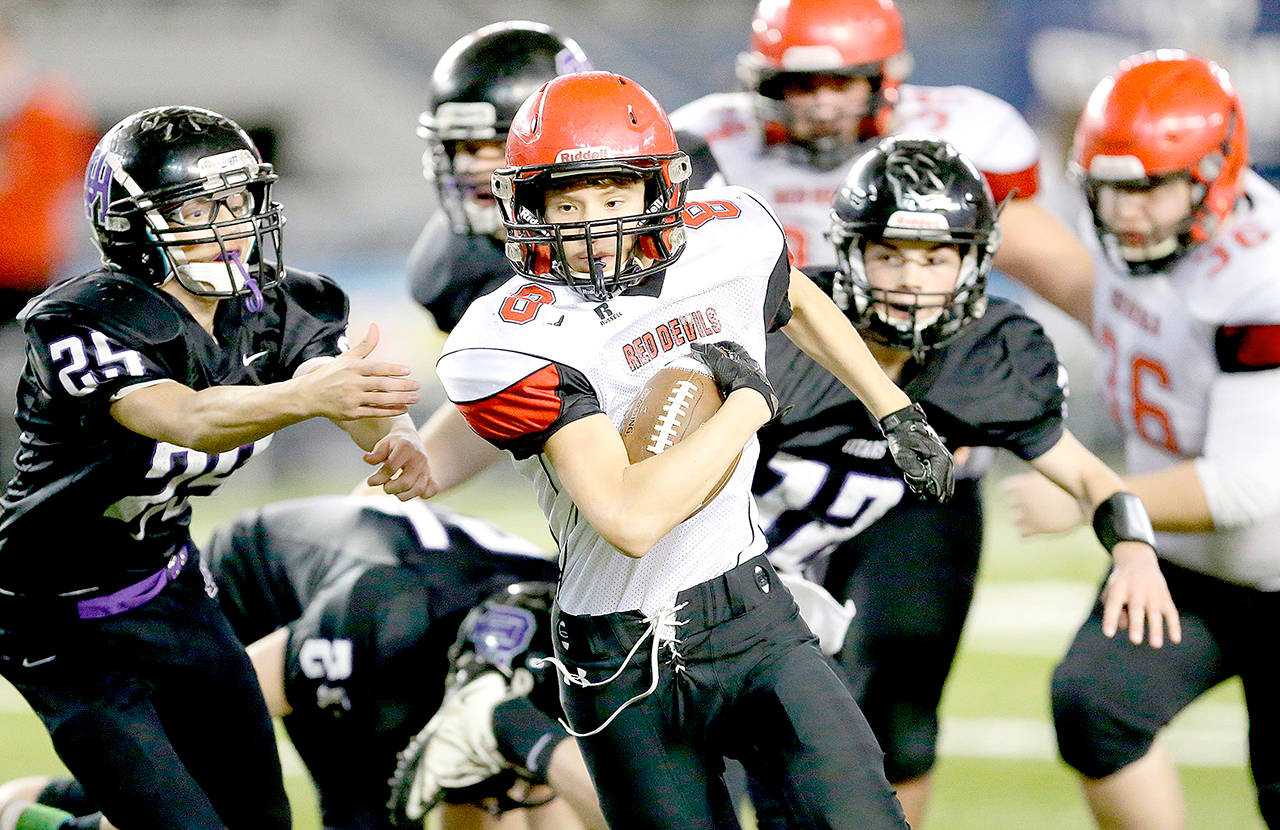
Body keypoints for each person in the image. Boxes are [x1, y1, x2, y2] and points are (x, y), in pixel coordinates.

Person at [434, 69, 954, 829]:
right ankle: (501, 725)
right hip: (616, 652)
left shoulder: (728, 237)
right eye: (566, 204)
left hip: (748, 607)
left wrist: (893, 407)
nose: (592, 227)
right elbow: (629, 518)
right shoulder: (513, 333)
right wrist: (748, 405)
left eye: (613, 198)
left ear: (660, 190)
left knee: (862, 816)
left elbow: (793, 294)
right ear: (528, 207)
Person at [0, 106, 432, 830]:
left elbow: (335, 382)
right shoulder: (88, 319)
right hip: (56, 619)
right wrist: (306, 396)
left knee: (260, 817)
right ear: (133, 226)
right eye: (199, 209)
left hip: (169, 585)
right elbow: (186, 419)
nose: (231, 225)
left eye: (237, 201)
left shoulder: (274, 303)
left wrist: (394, 432)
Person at [746, 134, 1181, 828]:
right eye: (890, 254)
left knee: (886, 728)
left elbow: (1088, 475)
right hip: (729, 562)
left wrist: (1133, 549)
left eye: (935, 257)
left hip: (874, 530)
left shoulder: (990, 352)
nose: (911, 280)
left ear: (973, 262)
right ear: (850, 253)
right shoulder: (779, 333)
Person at [999, 50, 1280, 830]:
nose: (1127, 211)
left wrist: (1096, 499)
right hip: (1187, 564)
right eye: (1111, 188)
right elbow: (1095, 296)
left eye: (1150, 187)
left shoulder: (1263, 280)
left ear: (1214, 174)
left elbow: (1246, 486)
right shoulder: (1140, 239)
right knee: (1097, 704)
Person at [0, 494, 605, 830]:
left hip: (407, 621)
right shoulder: (386, 626)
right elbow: (226, 707)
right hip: (262, 590)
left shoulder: (583, 649)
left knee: (489, 788)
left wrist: (525, 755)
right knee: (211, 799)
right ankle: (36, 812)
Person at [670, 0, 1094, 321]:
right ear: (767, 84)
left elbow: (1068, 277)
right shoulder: (705, 142)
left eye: (842, 83)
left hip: (913, 347)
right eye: (802, 85)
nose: (823, 105)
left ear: (882, 79)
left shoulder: (956, 133)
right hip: (774, 350)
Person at [409, 19, 719, 336]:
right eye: (463, 148)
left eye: (500, 146)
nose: (468, 168)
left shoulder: (672, 179)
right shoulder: (453, 272)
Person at [0, 16, 97, 484]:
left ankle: (26, 474)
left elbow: (63, 186)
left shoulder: (47, 111)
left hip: (26, 266)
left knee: (29, 383)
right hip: (27, 261)